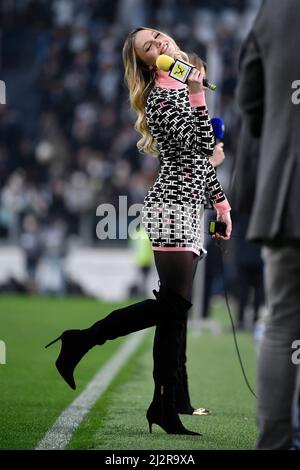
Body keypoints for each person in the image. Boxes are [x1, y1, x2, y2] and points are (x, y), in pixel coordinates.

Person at [46, 27, 232, 436]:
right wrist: (199, 92)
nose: (160, 44)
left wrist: (221, 204)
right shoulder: (163, 95)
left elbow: (199, 164)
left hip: (187, 206)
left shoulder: (180, 87)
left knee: (172, 310)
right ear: (147, 63)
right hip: (172, 208)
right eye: (149, 47)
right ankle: (82, 342)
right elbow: (204, 148)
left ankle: (163, 405)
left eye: (159, 37)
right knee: (173, 308)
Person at [236, 0, 300, 449]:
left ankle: (275, 444)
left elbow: (249, 103)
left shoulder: (274, 9)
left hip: (287, 194)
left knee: (281, 324)